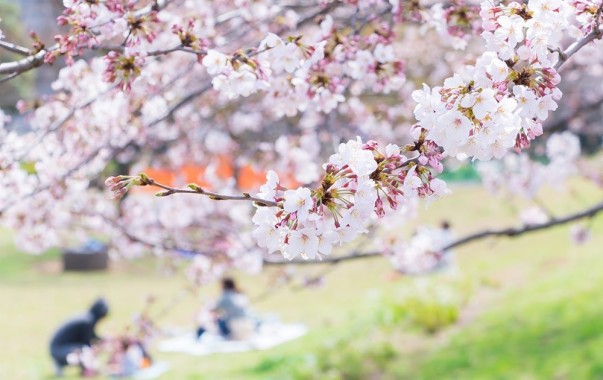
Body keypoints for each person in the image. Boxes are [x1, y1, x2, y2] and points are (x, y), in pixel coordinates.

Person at [49, 298, 109, 377]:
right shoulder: (87, 322)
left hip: (57, 348)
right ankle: (61, 362)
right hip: (59, 350)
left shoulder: (86, 318)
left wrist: (103, 340)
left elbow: (91, 337)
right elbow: (87, 343)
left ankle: (62, 362)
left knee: (84, 349)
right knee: (85, 351)